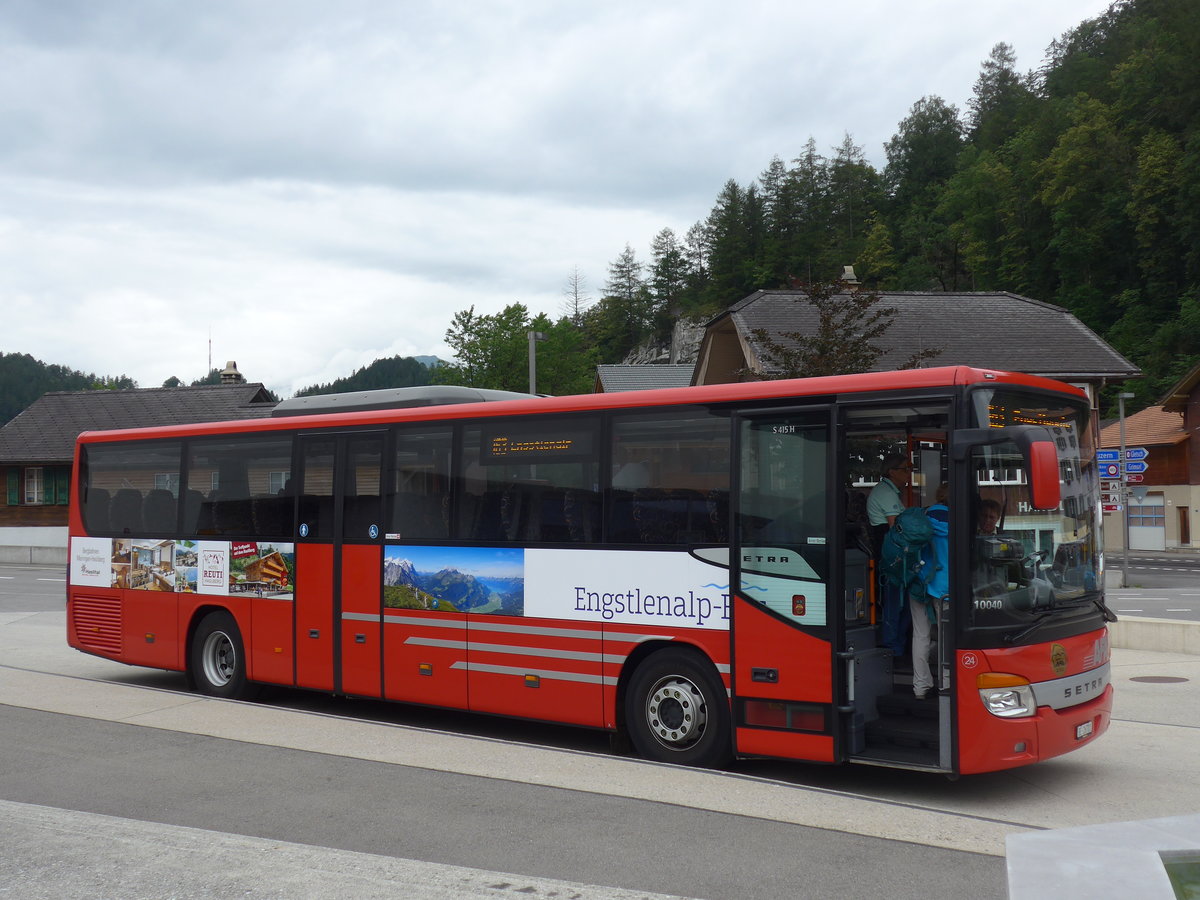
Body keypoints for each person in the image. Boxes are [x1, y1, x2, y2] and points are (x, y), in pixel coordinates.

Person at [868, 453, 912, 657]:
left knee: (899, 602)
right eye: (905, 469)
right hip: (893, 556)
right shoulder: (886, 493)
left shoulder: (890, 491)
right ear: (892, 471)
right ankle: (893, 648)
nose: (909, 473)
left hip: (893, 554)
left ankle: (898, 645)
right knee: (895, 602)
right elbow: (897, 528)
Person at [912, 484, 949, 700]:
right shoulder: (957, 520)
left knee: (920, 635)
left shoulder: (922, 516)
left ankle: (920, 686)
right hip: (945, 588)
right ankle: (947, 682)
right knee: (947, 636)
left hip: (919, 583)